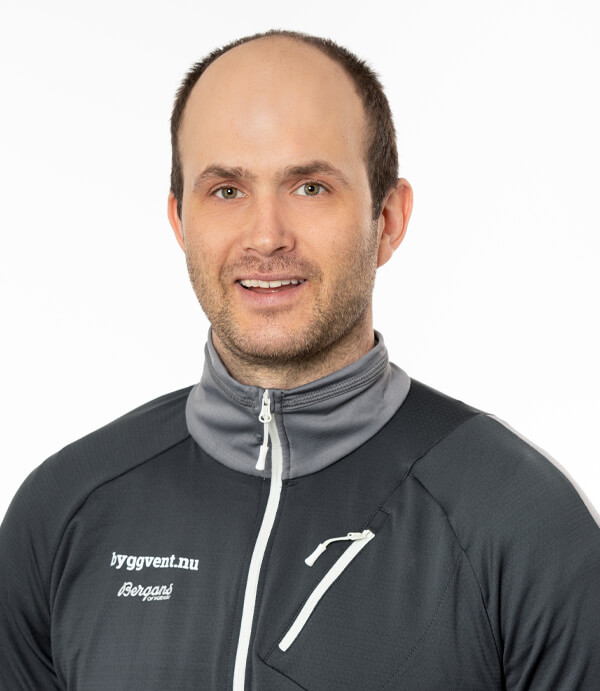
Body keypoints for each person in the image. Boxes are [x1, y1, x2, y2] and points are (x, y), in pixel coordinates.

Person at [1, 29, 598, 691]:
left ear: (389, 218)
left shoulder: (520, 519)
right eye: (226, 191)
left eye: (310, 187)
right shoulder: (62, 511)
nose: (266, 237)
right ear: (179, 222)